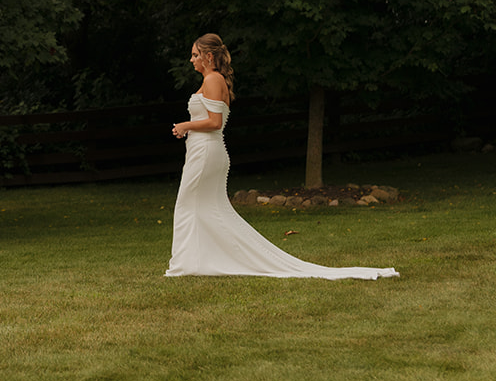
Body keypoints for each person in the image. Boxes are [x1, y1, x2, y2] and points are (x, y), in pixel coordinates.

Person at [167, 34, 398, 280]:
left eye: (195, 55)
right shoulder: (214, 80)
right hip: (204, 152)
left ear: (209, 56)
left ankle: (185, 263)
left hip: (206, 153)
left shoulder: (213, 79)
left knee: (187, 204)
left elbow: (215, 122)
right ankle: (196, 261)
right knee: (204, 207)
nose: (191, 60)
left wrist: (186, 125)